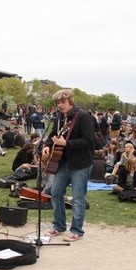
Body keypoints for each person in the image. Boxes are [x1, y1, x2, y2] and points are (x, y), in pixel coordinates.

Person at [42, 89, 94, 242]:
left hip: (80, 163)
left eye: (63, 102)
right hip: (62, 162)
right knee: (55, 192)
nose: (60, 105)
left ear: (70, 101)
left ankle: (77, 230)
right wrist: (47, 144)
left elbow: (88, 141)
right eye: (58, 103)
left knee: (78, 198)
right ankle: (59, 226)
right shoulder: (59, 117)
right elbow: (53, 134)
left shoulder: (83, 117)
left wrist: (67, 143)